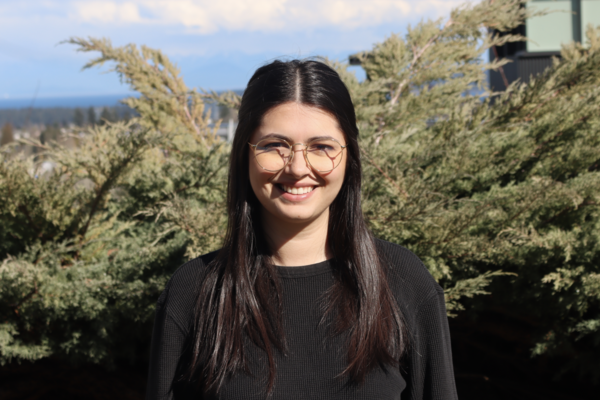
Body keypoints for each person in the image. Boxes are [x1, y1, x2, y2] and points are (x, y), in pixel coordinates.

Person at [146, 60, 458, 400]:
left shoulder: (404, 282)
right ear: (244, 155)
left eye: (322, 147)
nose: (297, 167)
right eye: (274, 146)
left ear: (349, 156)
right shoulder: (194, 292)